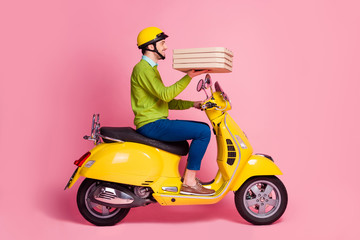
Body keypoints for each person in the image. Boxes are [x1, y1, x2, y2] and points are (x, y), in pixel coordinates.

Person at [131, 27, 215, 195]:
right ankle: (189, 182)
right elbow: (166, 95)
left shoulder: (150, 69)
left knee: (200, 129)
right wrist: (189, 76)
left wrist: (193, 104)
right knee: (203, 131)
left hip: (155, 122)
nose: (165, 47)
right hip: (152, 124)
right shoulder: (143, 69)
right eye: (162, 43)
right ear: (150, 46)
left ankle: (187, 180)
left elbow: (163, 101)